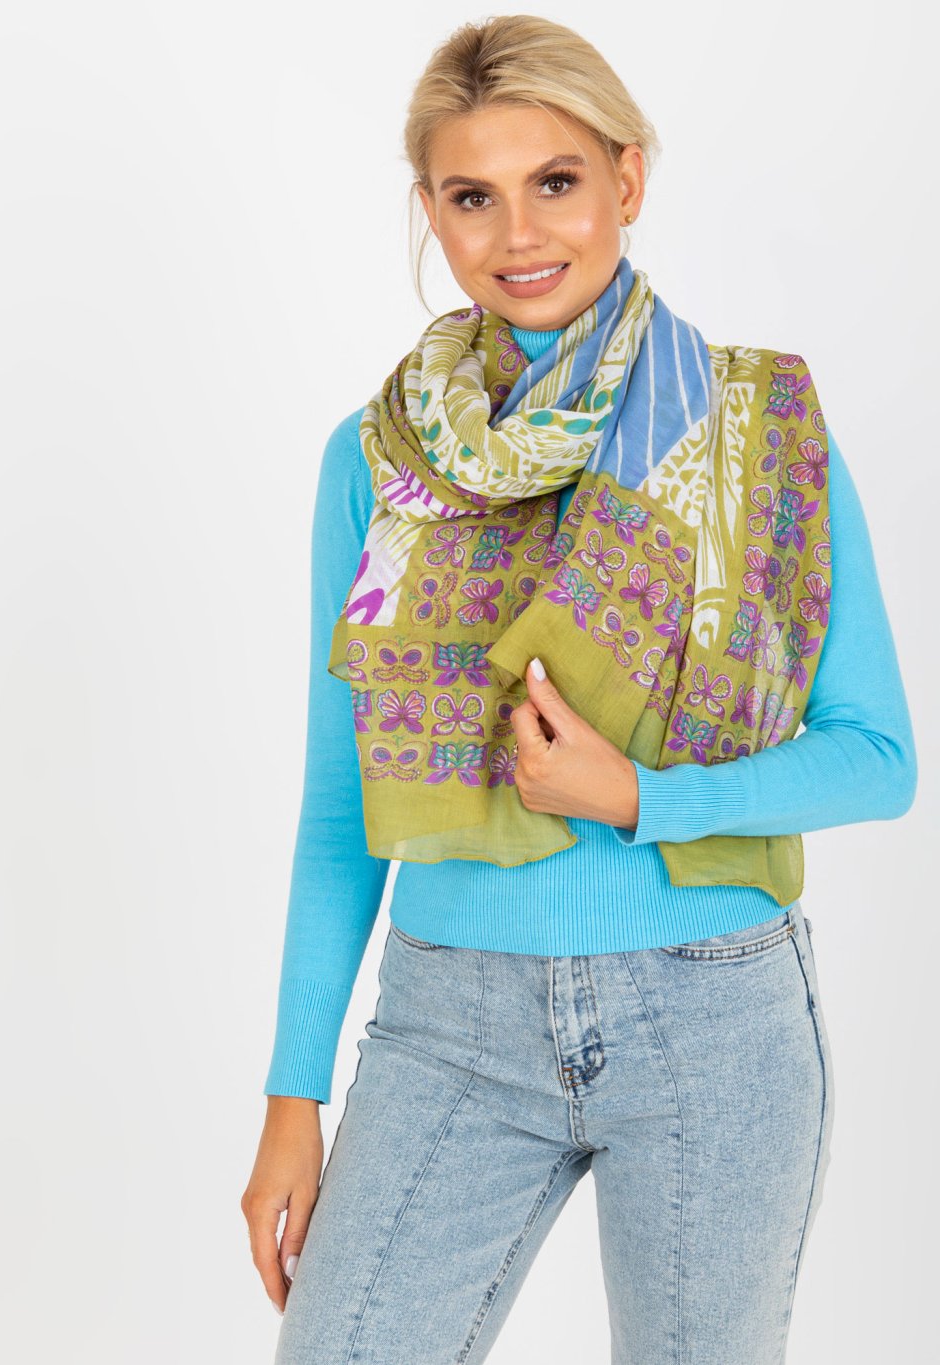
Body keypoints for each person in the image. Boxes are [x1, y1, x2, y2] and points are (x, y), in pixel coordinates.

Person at [241, 15, 917, 1363]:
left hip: (712, 1013)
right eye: (470, 196)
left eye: (554, 180)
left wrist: (640, 797)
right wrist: (292, 1097)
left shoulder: (759, 432)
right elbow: (339, 806)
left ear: (628, 176)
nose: (517, 234)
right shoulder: (375, 463)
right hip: (447, 1024)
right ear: (429, 211)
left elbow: (877, 755)